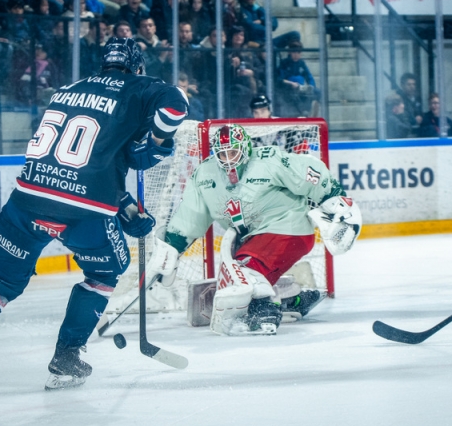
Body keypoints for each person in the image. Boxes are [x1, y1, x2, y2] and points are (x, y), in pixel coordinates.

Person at [0, 37, 188, 391]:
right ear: (137, 67)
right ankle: (66, 359)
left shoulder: (69, 90)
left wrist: (123, 206)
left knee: (0, 281)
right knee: (105, 273)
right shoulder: (140, 87)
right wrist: (156, 139)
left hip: (29, 195)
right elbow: (175, 106)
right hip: (83, 209)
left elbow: (92, 158)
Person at [147, 124, 362, 336]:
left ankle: (264, 310)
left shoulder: (268, 159)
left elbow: (308, 173)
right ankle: (290, 299)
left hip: (287, 229)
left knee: (243, 274)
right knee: (236, 276)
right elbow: (191, 216)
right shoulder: (205, 174)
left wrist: (336, 201)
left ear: (246, 148)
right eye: (222, 154)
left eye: (233, 152)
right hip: (249, 240)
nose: (228, 159)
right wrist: (171, 250)